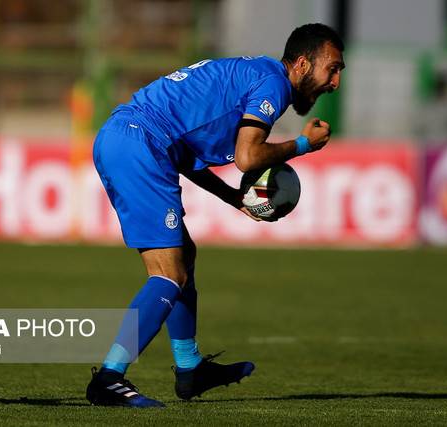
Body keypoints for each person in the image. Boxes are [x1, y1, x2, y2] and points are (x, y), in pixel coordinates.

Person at [86, 23, 344, 408]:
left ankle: (190, 370)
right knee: (168, 273)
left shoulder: (255, 74)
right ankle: (108, 378)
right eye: (333, 69)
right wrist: (304, 144)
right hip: (140, 143)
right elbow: (248, 157)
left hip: (131, 139)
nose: (335, 82)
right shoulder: (272, 83)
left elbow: (187, 152)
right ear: (303, 64)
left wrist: (232, 198)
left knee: (184, 258)